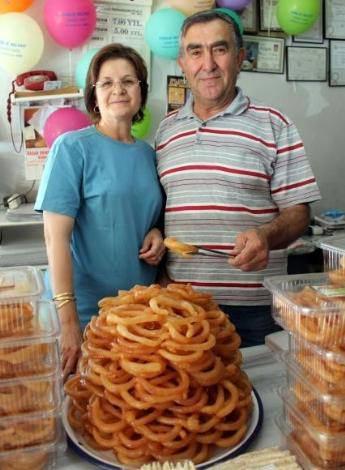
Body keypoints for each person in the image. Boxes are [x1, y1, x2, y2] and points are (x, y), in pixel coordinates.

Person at [155, 9, 321, 347]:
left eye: (220, 49)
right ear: (182, 63)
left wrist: (266, 235)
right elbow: (159, 212)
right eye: (195, 51)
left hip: (256, 309)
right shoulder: (165, 131)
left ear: (240, 57)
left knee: (257, 395)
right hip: (182, 305)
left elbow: (299, 213)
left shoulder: (274, 124)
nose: (208, 64)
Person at [35, 43, 165, 379]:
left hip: (141, 313)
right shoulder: (73, 148)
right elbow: (55, 239)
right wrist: (68, 323)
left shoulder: (148, 154)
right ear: (94, 95)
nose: (118, 89)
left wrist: (158, 232)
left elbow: (146, 215)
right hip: (89, 314)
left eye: (128, 81)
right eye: (106, 82)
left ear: (141, 91)